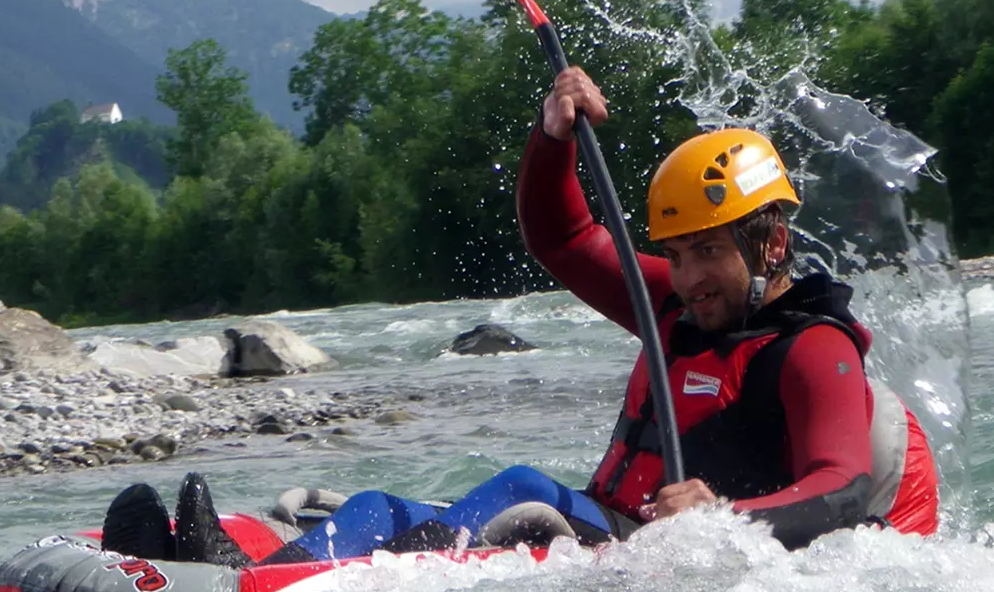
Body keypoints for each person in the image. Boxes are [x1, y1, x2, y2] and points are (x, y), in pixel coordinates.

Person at [106, 66, 939, 565]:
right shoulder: (676, 306)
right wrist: (552, 138)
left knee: (518, 491)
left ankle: (251, 591)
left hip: (648, 556)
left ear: (771, 244)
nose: (686, 277)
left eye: (707, 252)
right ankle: (230, 565)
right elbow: (565, 235)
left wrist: (716, 518)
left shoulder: (812, 350)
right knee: (375, 510)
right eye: (676, 253)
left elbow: (838, 489)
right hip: (607, 535)